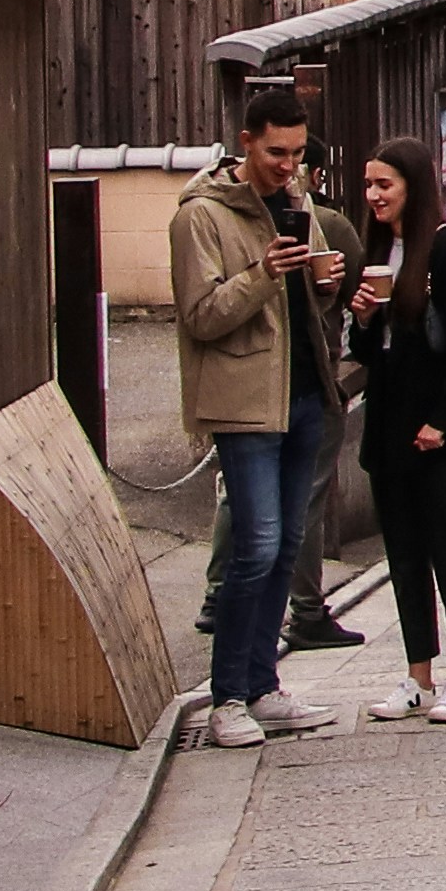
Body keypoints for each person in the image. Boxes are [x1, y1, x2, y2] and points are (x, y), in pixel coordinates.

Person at [166, 87, 361, 746]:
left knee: (284, 548)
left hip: (303, 391)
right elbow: (201, 316)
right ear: (245, 141)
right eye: (277, 152)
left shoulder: (298, 200)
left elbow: (299, 298)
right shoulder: (201, 214)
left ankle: (263, 686)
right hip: (244, 400)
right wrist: (263, 274)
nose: (288, 165)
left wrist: (323, 280)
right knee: (254, 546)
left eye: (298, 153)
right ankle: (226, 698)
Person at [348, 142, 446, 718]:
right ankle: (417, 674)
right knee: (403, 555)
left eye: (384, 184)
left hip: (443, 424)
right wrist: (361, 318)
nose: (374, 196)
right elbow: (371, 351)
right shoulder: (379, 248)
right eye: (368, 185)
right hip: (390, 417)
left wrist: (444, 422)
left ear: (413, 185)